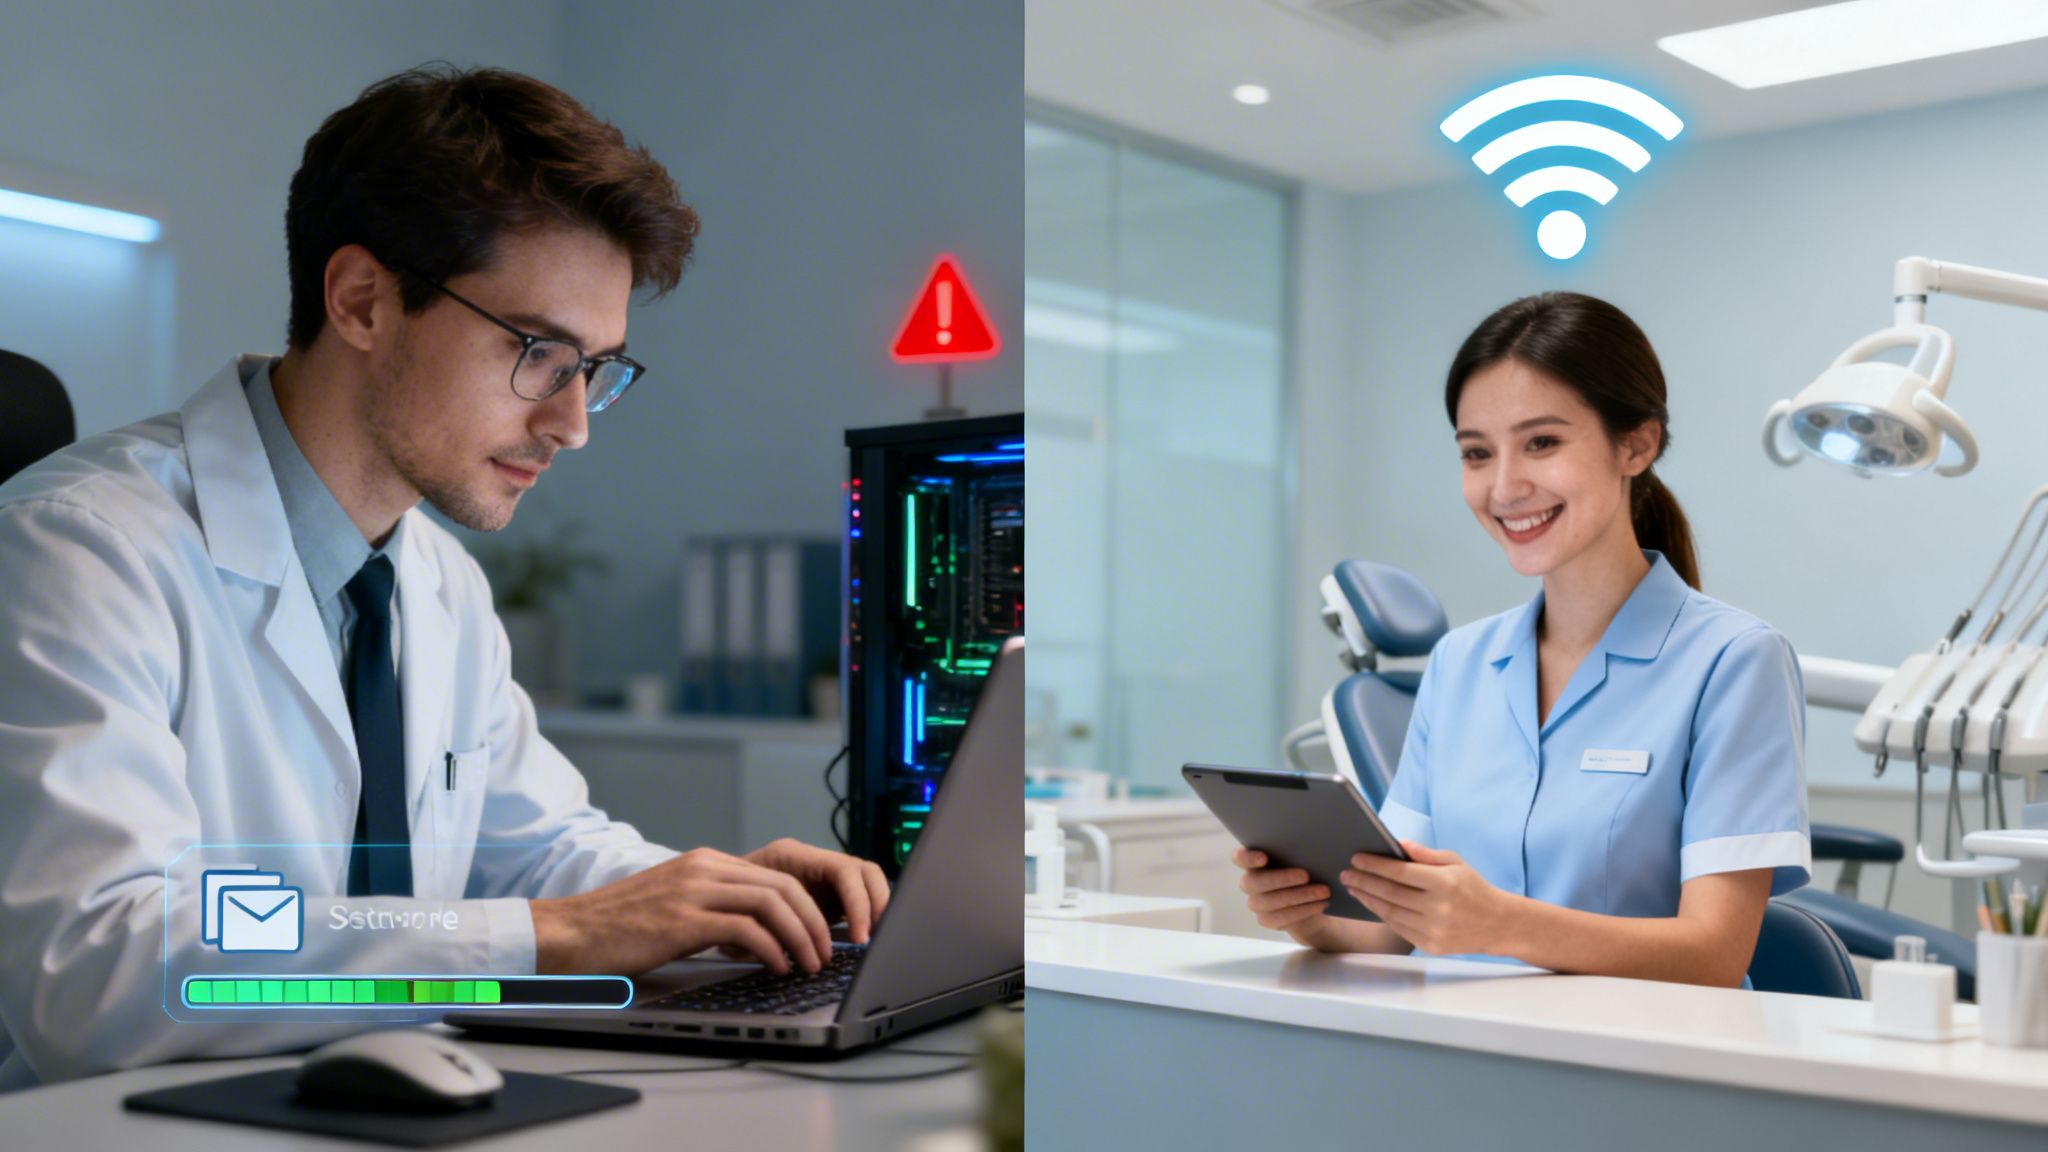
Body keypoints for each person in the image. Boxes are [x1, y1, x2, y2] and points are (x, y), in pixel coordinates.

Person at [0, 66, 887, 1088]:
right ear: (364, 301)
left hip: (382, 1096)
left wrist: (703, 897)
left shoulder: (439, 584)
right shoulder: (80, 550)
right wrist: (547, 939)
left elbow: (534, 851)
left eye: (596, 368)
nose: (572, 423)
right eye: (540, 354)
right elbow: (107, 962)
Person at [1236, 291, 1808, 988]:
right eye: (1477, 454)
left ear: (1637, 443)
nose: (1505, 487)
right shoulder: (1459, 665)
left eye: (1542, 442)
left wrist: (1500, 923)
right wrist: (1309, 914)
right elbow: (1390, 925)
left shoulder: (1734, 661)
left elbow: (1714, 953)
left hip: (1644, 1068)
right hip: (1468, 1056)